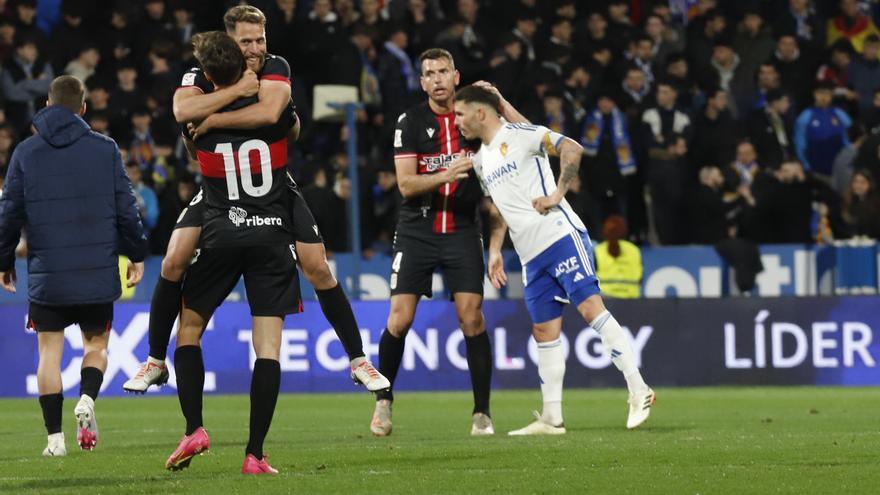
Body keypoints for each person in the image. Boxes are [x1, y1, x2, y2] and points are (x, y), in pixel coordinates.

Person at [122, 5, 388, 395]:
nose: (255, 48)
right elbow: (181, 109)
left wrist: (211, 120)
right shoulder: (201, 72)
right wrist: (234, 92)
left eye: (260, 39)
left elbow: (268, 113)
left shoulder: (276, 65)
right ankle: (155, 360)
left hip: (273, 184)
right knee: (175, 256)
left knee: (317, 265)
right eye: (246, 41)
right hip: (221, 185)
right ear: (229, 42)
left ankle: (358, 359)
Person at [453, 85, 655, 434]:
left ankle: (639, 389)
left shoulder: (522, 134)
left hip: (559, 235)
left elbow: (572, 148)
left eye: (459, 114)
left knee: (591, 308)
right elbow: (499, 209)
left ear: (480, 113)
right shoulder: (481, 160)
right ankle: (552, 418)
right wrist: (496, 250)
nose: (456, 122)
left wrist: (557, 194)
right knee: (544, 331)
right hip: (530, 256)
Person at [370, 48, 529, 438]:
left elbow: (528, 141)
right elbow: (406, 185)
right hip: (417, 228)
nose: (438, 78)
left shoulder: (473, 119)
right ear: (422, 81)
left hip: (461, 228)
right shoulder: (409, 122)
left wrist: (502, 103)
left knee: (471, 317)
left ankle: (482, 414)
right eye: (430, 73)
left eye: (444, 71)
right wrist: (448, 173)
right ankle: (383, 401)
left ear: (456, 77)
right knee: (399, 319)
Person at [163, 31, 295, 475]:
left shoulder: (198, 125)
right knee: (269, 347)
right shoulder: (269, 114)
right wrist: (246, 91)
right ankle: (255, 454)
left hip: (221, 233)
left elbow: (186, 121)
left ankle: (194, 425)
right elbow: (288, 122)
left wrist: (214, 113)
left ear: (207, 76)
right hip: (271, 233)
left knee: (189, 328)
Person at [0, 75, 147, 456]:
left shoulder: (25, 153)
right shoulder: (106, 149)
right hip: (96, 272)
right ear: (83, 108)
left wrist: (4, 261)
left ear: (47, 105)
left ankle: (54, 440)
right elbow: (126, 208)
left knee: (48, 353)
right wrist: (136, 253)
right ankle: (87, 399)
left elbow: (9, 214)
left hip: (48, 275)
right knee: (96, 345)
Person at [593, 216, 642, 299]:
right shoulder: (634, 250)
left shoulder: (597, 250)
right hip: (632, 300)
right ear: (624, 231)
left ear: (604, 232)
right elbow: (641, 278)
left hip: (605, 301)